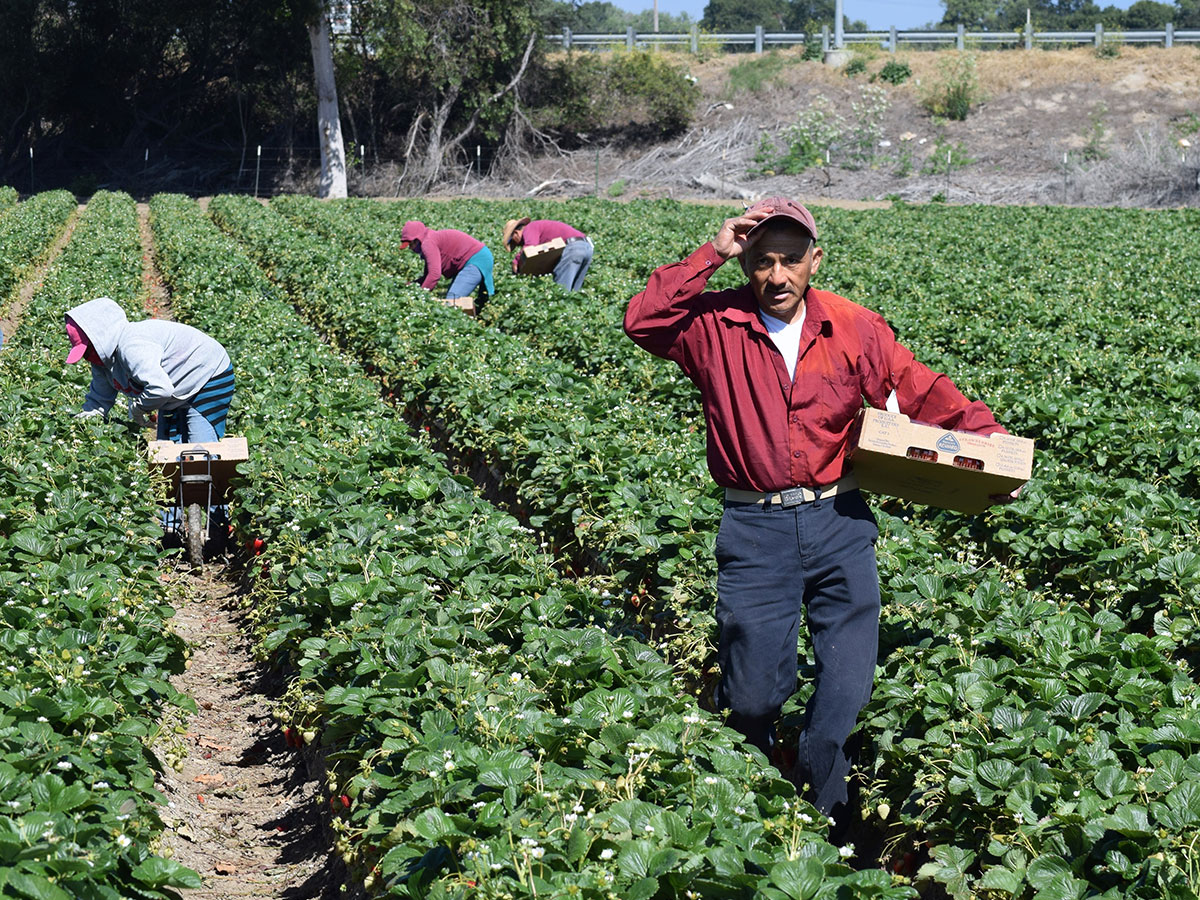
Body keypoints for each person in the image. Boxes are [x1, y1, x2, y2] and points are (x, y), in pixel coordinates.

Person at [623, 197, 1014, 833]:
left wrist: (993, 450)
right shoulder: (712, 326)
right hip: (756, 528)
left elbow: (919, 389)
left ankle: (825, 810)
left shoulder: (853, 326)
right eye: (761, 261)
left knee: (845, 688)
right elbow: (642, 320)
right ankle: (751, 793)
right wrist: (710, 251)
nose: (777, 276)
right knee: (752, 694)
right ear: (745, 263)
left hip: (840, 521)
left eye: (791, 260)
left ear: (815, 261)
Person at [65, 297, 235, 444]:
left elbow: (161, 390)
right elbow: (99, 401)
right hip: (175, 385)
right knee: (167, 450)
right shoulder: (102, 361)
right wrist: (80, 425)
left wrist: (138, 410)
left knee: (199, 451)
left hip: (208, 375)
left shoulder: (132, 346)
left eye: (87, 350)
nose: (87, 357)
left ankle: (210, 479)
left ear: (102, 339)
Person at [400, 220, 495, 308]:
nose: (410, 248)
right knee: (468, 301)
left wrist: (420, 296)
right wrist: (412, 285)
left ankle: (462, 323)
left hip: (476, 259)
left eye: (411, 244)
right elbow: (428, 276)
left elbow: (434, 275)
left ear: (417, 240)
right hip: (477, 257)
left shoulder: (428, 243)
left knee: (452, 300)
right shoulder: (429, 239)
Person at [501, 217, 593, 291]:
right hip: (586, 248)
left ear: (516, 233)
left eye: (514, 242)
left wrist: (516, 261)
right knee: (574, 292)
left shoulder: (530, 228)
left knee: (561, 292)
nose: (518, 245)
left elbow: (529, 248)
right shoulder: (539, 228)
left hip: (573, 249)